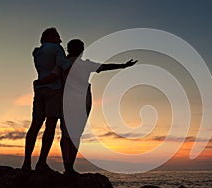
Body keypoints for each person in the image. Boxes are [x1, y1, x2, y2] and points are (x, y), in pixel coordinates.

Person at [34, 39, 137, 174]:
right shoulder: (83, 64)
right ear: (80, 50)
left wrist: (39, 82)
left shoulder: (63, 64)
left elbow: (53, 76)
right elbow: (105, 67)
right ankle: (70, 166)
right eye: (82, 48)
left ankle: (68, 167)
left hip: (68, 101)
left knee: (66, 135)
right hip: (82, 102)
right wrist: (123, 66)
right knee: (75, 135)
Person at [21, 27, 72, 172]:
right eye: (58, 36)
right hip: (54, 89)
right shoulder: (57, 48)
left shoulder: (37, 52)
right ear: (50, 37)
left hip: (39, 89)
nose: (60, 40)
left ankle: (26, 163)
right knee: (50, 126)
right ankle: (41, 162)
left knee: (35, 125)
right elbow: (64, 66)